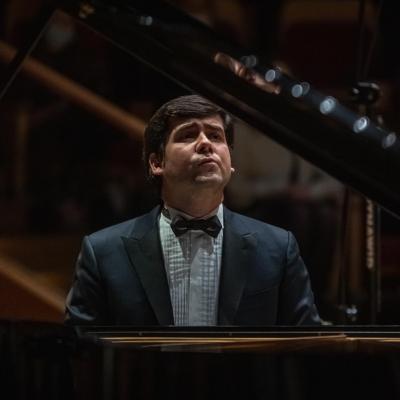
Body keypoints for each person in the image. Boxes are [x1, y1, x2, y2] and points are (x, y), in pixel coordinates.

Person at [65, 95, 320, 326]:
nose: (205, 143)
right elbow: (80, 350)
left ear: (231, 162)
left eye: (216, 136)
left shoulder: (278, 248)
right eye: (188, 135)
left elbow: (308, 347)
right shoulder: (103, 252)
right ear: (156, 163)